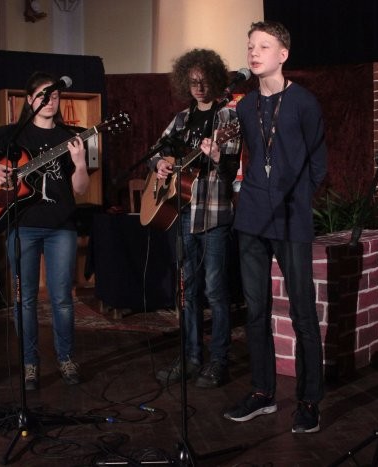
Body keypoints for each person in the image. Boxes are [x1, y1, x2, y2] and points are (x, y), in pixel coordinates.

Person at [223, 21, 327, 434]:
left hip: (290, 216)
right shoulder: (245, 105)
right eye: (250, 46)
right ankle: (262, 392)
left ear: (283, 54)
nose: (253, 52)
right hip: (251, 217)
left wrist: (299, 198)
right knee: (255, 310)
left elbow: (318, 162)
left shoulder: (303, 102)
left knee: (302, 311)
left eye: (263, 46)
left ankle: (309, 399)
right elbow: (247, 156)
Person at [0, 71, 88, 390]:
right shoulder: (13, 135)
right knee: (24, 300)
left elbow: (80, 189)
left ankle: (66, 359)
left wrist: (80, 162)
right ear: (30, 100)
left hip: (61, 226)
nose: (49, 101)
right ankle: (30, 364)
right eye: (43, 95)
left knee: (62, 299)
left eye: (54, 96)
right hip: (22, 226)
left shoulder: (70, 138)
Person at [149, 49, 241, 389]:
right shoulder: (182, 119)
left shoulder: (228, 119)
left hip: (214, 215)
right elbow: (156, 150)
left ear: (215, 80)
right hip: (182, 212)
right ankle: (190, 357)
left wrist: (216, 155)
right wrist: (159, 164)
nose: (199, 88)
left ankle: (218, 361)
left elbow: (230, 172)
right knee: (187, 291)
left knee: (215, 291)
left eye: (204, 82)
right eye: (193, 82)